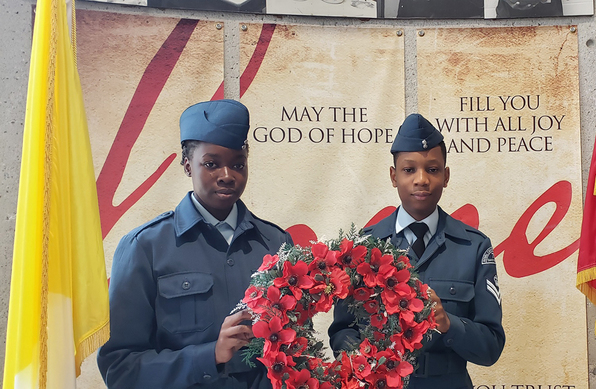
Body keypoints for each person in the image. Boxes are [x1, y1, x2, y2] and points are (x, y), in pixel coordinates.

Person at [97, 99, 294, 388]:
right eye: (211, 164)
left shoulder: (276, 243)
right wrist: (210, 356)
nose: (227, 176)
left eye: (238, 164)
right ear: (188, 166)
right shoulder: (145, 247)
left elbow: (294, 348)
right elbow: (120, 369)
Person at [328, 113, 505, 389]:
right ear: (393, 176)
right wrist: (367, 361)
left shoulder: (473, 247)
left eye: (432, 169)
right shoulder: (362, 249)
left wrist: (448, 323)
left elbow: (490, 347)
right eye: (409, 170)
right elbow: (342, 331)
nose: (421, 179)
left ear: (446, 176)